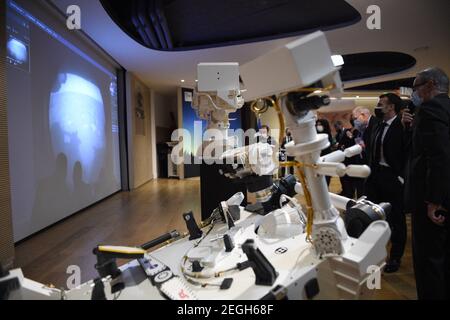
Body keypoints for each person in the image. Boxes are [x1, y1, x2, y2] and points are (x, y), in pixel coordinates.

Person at [402, 67, 450, 299]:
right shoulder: (446, 107)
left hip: (431, 198)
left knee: (428, 259)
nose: (414, 93)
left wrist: (433, 200)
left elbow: (437, 156)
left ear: (430, 84)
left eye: (416, 87)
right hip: (444, 193)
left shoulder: (429, 108)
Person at [365, 93, 407, 273]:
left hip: (393, 176)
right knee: (373, 216)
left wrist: (401, 177)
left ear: (391, 107)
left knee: (396, 218)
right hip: (375, 175)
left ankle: (396, 256)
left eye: (381, 104)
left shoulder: (403, 125)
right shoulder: (377, 124)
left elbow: (408, 152)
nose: (378, 106)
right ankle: (375, 252)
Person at [336, 117, 364, 198]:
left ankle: (359, 205)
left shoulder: (363, 131)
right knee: (350, 188)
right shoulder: (348, 132)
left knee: (360, 189)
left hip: (361, 163)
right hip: (350, 163)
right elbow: (340, 146)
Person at [316, 119, 333, 185]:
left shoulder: (327, 135)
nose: (318, 126)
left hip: (326, 160)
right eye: (317, 125)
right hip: (317, 161)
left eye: (320, 125)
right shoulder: (316, 136)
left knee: (326, 180)